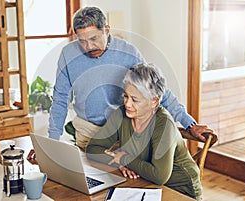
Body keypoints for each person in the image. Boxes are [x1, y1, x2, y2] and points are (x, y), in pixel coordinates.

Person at [48, 6, 212, 149]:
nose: (89, 47)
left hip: (122, 133)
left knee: (125, 182)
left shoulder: (128, 53)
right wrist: (52, 143)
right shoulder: (68, 54)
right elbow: (60, 98)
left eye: (93, 39)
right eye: (82, 41)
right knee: (91, 183)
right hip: (86, 132)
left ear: (106, 29)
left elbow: (156, 90)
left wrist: (190, 124)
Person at [86, 63, 202, 200]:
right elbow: (93, 149)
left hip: (180, 191)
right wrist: (119, 162)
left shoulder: (164, 124)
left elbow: (159, 176)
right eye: (126, 96)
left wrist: (123, 157)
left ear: (154, 101)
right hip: (145, 183)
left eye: (135, 100)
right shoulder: (121, 114)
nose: (127, 104)